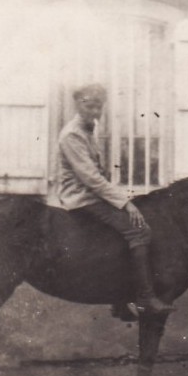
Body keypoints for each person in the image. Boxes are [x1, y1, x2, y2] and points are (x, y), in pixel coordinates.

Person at [57, 84, 173, 316]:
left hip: (92, 194)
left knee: (118, 236)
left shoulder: (89, 130)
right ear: (78, 105)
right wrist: (125, 203)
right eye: (89, 106)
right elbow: (91, 178)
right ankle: (146, 298)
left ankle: (119, 300)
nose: (94, 112)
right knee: (138, 231)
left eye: (99, 107)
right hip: (82, 197)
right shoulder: (72, 134)